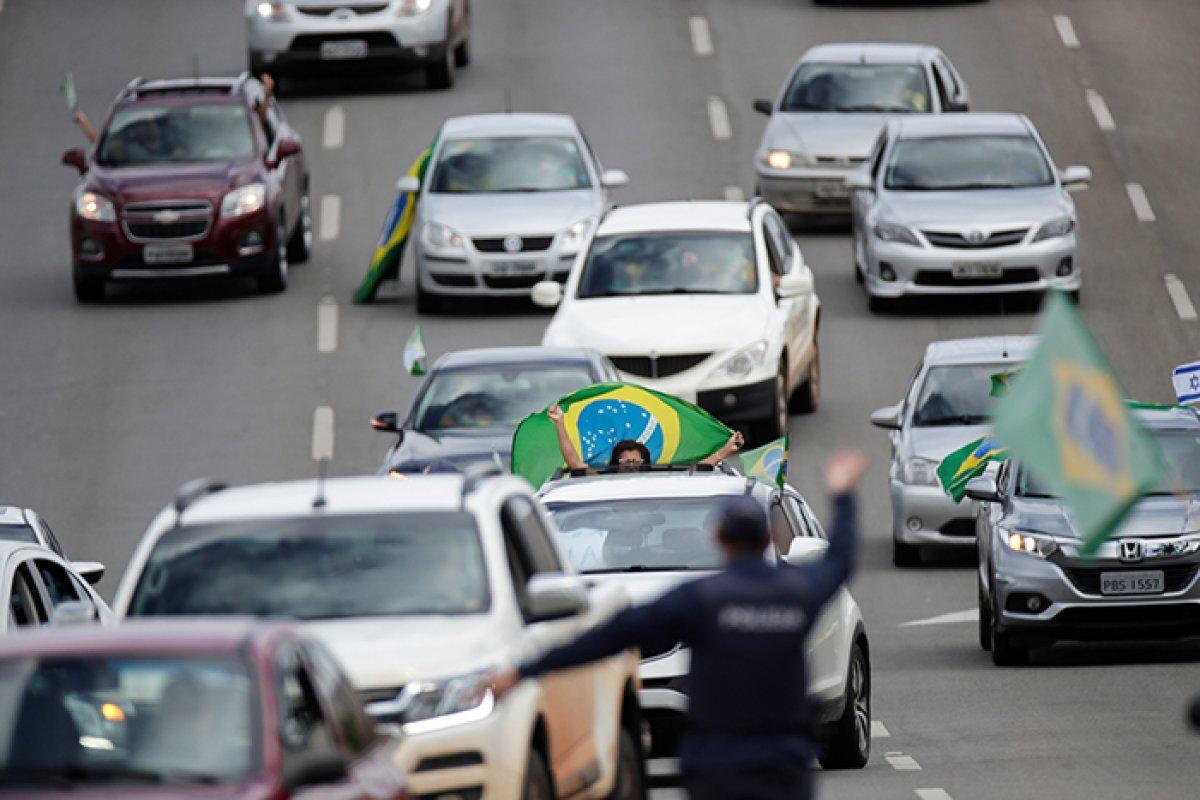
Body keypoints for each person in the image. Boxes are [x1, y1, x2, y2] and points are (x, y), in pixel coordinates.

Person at [489, 450, 869, 800]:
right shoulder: (796, 593)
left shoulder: (699, 599)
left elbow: (608, 636)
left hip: (716, 765)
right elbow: (840, 560)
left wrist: (524, 671)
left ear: (719, 538)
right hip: (784, 762)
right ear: (769, 537)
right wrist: (843, 494)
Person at [547, 402, 743, 474]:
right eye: (626, 462)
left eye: (636, 461)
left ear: (646, 463)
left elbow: (695, 470)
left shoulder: (655, 480)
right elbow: (575, 464)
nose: (632, 466)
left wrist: (726, 450)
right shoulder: (604, 480)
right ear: (615, 463)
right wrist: (560, 423)